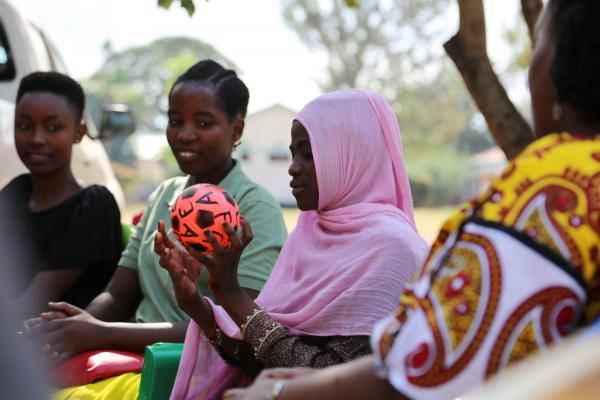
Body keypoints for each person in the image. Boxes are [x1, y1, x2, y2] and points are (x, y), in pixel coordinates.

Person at [224, 1, 600, 399]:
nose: (294, 168)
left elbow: (435, 365)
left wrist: (281, 392)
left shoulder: (558, 186)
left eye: (539, 41)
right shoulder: (306, 237)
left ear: (565, 61)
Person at [26, 60, 287, 395]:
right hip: (121, 356)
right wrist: (77, 327)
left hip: (183, 369)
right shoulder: (165, 194)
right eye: (175, 121)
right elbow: (117, 293)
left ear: (236, 130)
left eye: (203, 122)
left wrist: (102, 332)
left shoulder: (254, 207)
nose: (184, 134)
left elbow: (238, 326)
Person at [156, 89, 429, 399]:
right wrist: (197, 301)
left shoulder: (392, 249)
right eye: (293, 153)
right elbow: (257, 362)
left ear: (354, 154)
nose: (293, 167)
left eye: (309, 154)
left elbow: (327, 378)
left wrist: (233, 296)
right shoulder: (309, 232)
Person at [0, 71, 122, 319]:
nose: (36, 139)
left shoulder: (93, 205)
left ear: (78, 133)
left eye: (53, 127)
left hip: (56, 350)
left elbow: (31, 305)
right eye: (24, 126)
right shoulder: (16, 191)